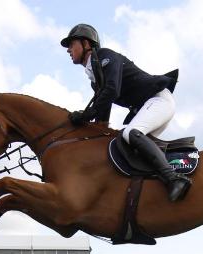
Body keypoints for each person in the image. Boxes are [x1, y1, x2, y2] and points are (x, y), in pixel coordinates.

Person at [61, 23, 191, 202]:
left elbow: (112, 91)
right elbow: (102, 117)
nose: (68, 50)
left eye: (71, 44)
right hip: (150, 106)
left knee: (130, 133)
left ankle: (175, 179)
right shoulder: (95, 79)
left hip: (159, 100)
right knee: (125, 147)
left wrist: (85, 115)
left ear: (85, 43)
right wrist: (88, 132)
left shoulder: (106, 56)